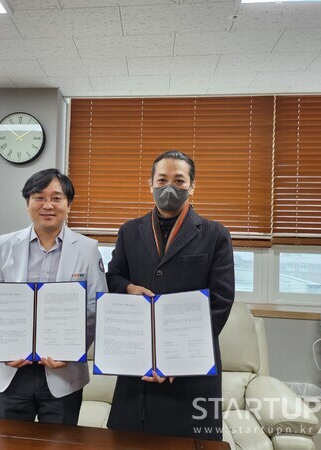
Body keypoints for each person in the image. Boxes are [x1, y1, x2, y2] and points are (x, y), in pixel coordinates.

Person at [106, 150, 235, 440]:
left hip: (192, 369)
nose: (169, 188)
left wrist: (179, 358)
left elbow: (221, 300)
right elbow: (113, 277)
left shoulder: (215, 234)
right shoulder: (129, 231)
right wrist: (128, 288)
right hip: (138, 365)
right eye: (162, 180)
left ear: (192, 186)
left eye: (179, 181)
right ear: (150, 184)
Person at [0, 168, 107, 425]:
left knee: (61, 441)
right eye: (39, 197)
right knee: (10, 441)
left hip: (63, 372)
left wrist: (71, 351)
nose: (47, 205)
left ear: (69, 205)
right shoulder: (5, 245)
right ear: (27, 203)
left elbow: (96, 307)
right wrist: (1, 350)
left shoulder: (87, 248)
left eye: (56, 198)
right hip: (12, 370)